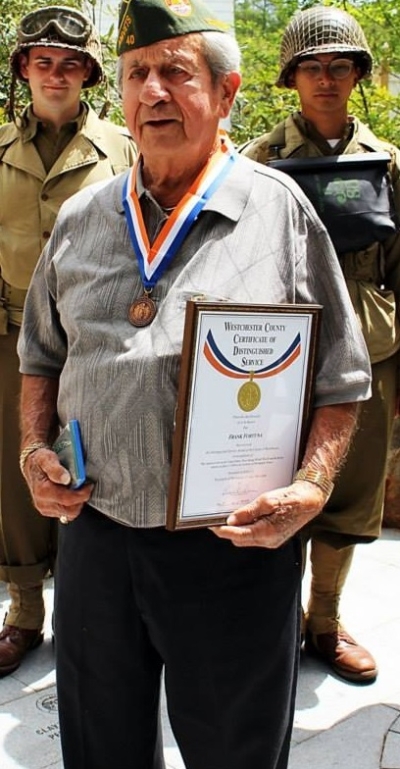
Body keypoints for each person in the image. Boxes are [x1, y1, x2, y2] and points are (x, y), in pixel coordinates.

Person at [17, 0, 371, 767]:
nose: (152, 92)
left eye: (176, 72)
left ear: (226, 92)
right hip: (96, 538)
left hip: (231, 547)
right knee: (100, 746)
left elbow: (342, 376)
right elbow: (40, 355)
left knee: (234, 749)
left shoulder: (280, 212)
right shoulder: (83, 217)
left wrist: (311, 487)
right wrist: (33, 450)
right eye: (137, 74)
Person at [241, 4, 400, 684]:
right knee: (272, 487)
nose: (326, 79)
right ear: (292, 78)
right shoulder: (261, 162)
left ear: (358, 75)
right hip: (281, 355)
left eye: (339, 66)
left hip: (369, 351)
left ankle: (326, 621)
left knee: (350, 494)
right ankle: (270, 623)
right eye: (312, 67)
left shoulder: (386, 163)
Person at [0, 5, 136, 677]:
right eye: (43, 62)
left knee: (96, 465)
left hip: (96, 338)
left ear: (88, 74)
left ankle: (95, 613)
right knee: (17, 471)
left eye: (71, 64)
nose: (56, 75)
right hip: (10, 337)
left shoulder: (123, 149)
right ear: (24, 70)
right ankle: (25, 612)